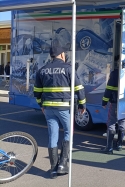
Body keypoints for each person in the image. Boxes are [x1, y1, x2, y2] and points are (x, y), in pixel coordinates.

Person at [34, 46, 86, 179]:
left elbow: (37, 92)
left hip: (49, 109)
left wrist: (41, 105)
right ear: (62, 54)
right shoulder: (68, 68)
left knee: (53, 136)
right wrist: (82, 104)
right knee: (68, 133)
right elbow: (79, 88)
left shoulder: (42, 70)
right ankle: (63, 164)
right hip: (64, 107)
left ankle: (53, 168)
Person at [101, 55, 125, 154]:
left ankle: (109, 148)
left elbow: (109, 89)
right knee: (122, 122)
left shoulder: (115, 73)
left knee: (111, 122)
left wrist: (104, 102)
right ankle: (119, 144)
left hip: (115, 102)